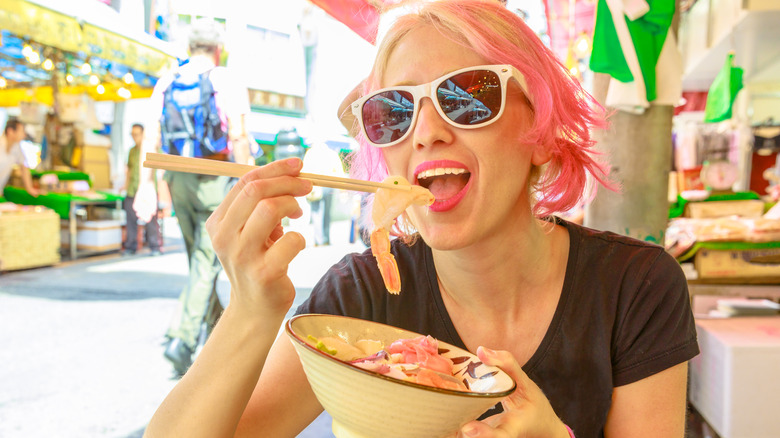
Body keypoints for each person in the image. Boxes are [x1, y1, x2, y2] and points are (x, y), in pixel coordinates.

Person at [145, 1, 699, 436]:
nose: (427, 131)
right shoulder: (359, 298)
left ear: (542, 134)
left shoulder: (635, 287)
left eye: (468, 96)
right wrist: (249, 310)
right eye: (394, 111)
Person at [150, 18, 252, 376]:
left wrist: (151, 185)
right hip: (214, 175)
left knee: (198, 260)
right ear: (218, 49)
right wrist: (250, 181)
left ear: (189, 48)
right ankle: (182, 338)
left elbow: (154, 136)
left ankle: (214, 325)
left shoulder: (168, 80)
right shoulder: (226, 79)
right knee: (205, 263)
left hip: (177, 176)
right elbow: (238, 136)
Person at [121, 123, 162, 256]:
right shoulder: (132, 151)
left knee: (150, 219)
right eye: (132, 135)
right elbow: (129, 170)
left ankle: (154, 246)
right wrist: (125, 186)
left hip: (148, 190)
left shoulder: (152, 148)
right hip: (133, 190)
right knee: (130, 219)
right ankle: (131, 246)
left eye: (136, 134)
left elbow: (161, 170)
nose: (134, 137)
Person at [301, 141, 346, 246]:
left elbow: (305, 170)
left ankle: (319, 239)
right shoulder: (331, 153)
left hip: (316, 185)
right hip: (329, 185)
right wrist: (342, 187)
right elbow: (339, 170)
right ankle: (326, 239)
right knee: (326, 213)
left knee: (317, 213)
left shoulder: (311, 153)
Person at [0, 119, 39, 197]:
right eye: (21, 131)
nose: (24, 135)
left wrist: (30, 189)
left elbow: (24, 168)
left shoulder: (17, 147)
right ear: (10, 131)